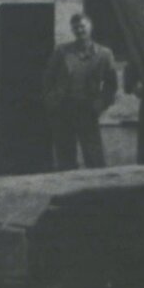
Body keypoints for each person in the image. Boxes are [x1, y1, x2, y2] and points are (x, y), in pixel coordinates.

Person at [43, 13, 119, 170]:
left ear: (90, 28)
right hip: (64, 107)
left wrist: (102, 102)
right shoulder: (62, 52)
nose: (79, 30)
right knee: (65, 156)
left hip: (88, 108)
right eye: (75, 27)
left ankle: (98, 191)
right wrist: (51, 99)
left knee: (94, 157)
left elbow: (111, 84)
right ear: (72, 29)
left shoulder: (104, 54)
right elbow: (48, 77)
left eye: (82, 26)